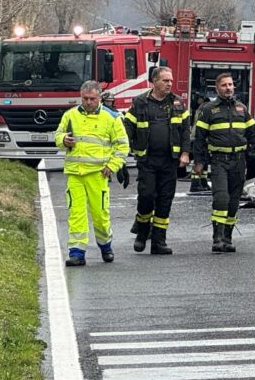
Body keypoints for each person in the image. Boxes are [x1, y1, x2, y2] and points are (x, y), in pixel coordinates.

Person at [54, 80, 130, 266]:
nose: (88, 102)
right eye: (85, 99)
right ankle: (77, 252)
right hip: (75, 174)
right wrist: (64, 140)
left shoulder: (111, 117)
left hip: (98, 174)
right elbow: (57, 136)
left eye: (92, 99)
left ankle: (105, 245)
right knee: (76, 213)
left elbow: (122, 145)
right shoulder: (70, 115)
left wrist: (112, 166)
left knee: (100, 214)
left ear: (99, 97)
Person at [193, 71, 255, 253]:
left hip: (238, 161)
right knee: (221, 198)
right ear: (217, 88)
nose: (228, 88)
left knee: (233, 201)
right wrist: (199, 162)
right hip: (219, 161)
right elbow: (200, 139)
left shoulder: (241, 109)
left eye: (230, 85)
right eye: (224, 85)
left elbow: (253, 135)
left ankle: (228, 237)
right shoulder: (209, 110)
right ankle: (217, 237)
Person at [123, 66, 191, 254]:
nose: (169, 84)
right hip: (148, 161)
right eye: (165, 80)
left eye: (171, 80)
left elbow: (186, 130)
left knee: (164, 200)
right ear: (154, 81)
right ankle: (142, 232)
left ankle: (159, 241)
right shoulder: (140, 103)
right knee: (146, 197)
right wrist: (123, 151)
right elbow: (127, 127)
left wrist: (186, 153)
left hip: (170, 161)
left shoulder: (177, 103)